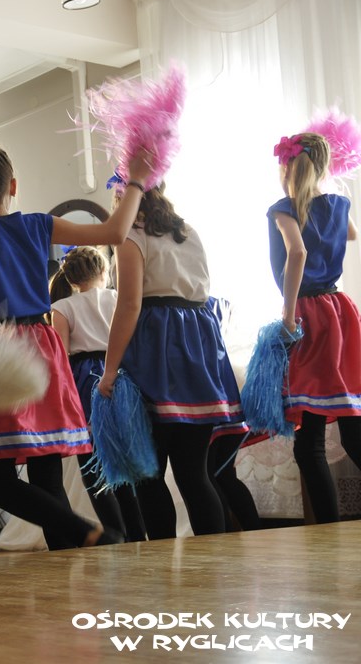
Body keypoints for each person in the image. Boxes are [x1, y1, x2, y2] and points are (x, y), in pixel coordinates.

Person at [0, 144, 148, 549]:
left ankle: (82, 531)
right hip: (41, 348)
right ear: (12, 186)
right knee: (47, 474)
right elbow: (115, 233)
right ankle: (74, 547)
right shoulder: (37, 225)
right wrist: (135, 181)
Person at [97, 175, 243, 538]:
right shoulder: (187, 231)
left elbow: (129, 304)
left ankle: (161, 558)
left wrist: (109, 371)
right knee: (195, 474)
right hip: (199, 345)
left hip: (156, 348)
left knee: (149, 475)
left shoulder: (133, 234)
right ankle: (214, 559)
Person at [267, 131, 361, 522]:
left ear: (286, 167)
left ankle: (329, 532)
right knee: (353, 427)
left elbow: (298, 252)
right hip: (341, 312)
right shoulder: (338, 204)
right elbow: (351, 233)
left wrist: (289, 316)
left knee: (310, 444)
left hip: (310, 316)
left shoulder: (283, 209)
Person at [49, 245, 146, 542]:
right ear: (104, 270)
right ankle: (137, 533)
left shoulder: (61, 307)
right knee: (124, 458)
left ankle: (114, 533)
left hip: (83, 380)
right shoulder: (117, 297)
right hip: (119, 371)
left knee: (91, 463)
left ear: (71, 279)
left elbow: (61, 356)